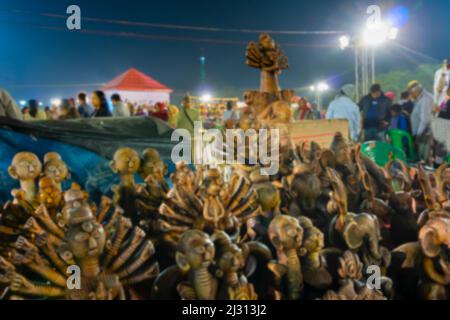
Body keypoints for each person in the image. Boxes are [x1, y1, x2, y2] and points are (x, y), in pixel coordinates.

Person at [407, 80, 434, 163]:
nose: (411, 95)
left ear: (416, 90)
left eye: (411, 93)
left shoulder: (426, 99)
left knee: (424, 158)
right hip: (422, 132)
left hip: (425, 133)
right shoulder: (419, 99)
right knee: (422, 157)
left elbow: (425, 120)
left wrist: (418, 135)